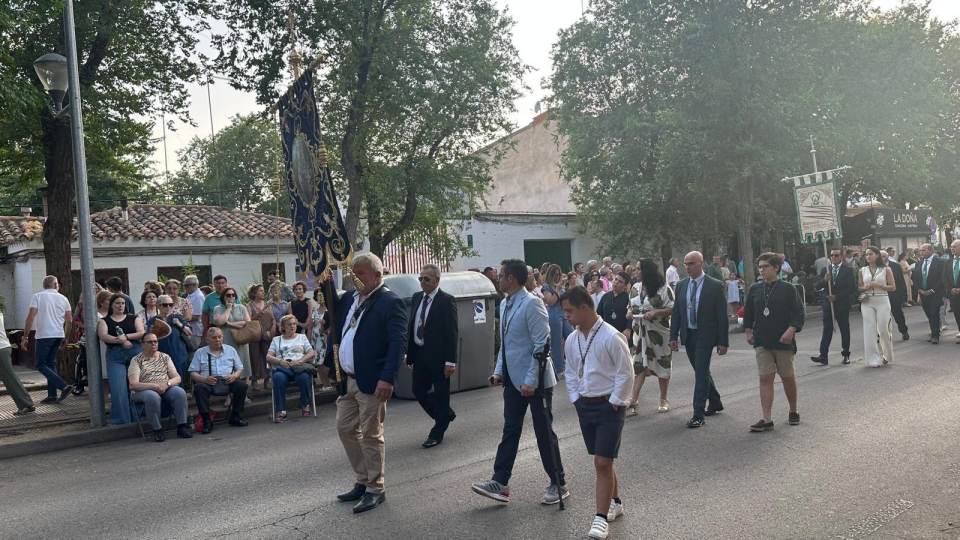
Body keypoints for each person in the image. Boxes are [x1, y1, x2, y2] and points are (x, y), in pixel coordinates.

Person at [472, 259, 567, 506]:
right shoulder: (505, 304)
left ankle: (558, 482)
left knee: (544, 432)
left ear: (511, 279)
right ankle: (500, 482)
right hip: (513, 380)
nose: (498, 279)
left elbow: (541, 345)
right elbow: (506, 344)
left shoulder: (532, 304)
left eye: (501, 275)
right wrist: (498, 371)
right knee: (510, 429)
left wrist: (530, 380)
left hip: (536, 381)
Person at [325, 253, 407, 514]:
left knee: (371, 434)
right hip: (348, 379)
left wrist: (388, 377)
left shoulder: (390, 302)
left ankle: (375, 487)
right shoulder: (349, 298)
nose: (354, 278)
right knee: (345, 429)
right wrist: (328, 362)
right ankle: (362, 479)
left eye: (360, 274)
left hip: (373, 380)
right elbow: (338, 331)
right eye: (353, 273)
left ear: (377, 275)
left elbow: (398, 344)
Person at [559, 286, 633, 540]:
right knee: (605, 458)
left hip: (609, 406)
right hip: (585, 405)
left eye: (569, 311)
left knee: (601, 462)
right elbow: (570, 370)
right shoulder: (572, 339)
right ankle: (616, 501)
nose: (566, 316)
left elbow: (626, 372)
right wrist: (575, 397)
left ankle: (600, 518)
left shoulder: (611, 337)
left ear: (585, 307)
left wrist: (615, 401)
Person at [742, 253, 804, 432]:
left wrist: (791, 330)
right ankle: (766, 418)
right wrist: (748, 330)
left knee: (787, 377)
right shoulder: (755, 289)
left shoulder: (788, 288)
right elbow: (748, 313)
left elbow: (798, 313)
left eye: (765, 267)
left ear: (776, 268)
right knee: (765, 378)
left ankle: (793, 410)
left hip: (783, 340)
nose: (761, 270)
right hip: (762, 340)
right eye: (759, 267)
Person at [669, 251, 728, 429]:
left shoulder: (715, 286)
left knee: (701, 373)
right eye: (686, 264)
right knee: (700, 370)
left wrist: (723, 341)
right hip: (689, 334)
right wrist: (673, 336)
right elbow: (677, 312)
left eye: (691, 263)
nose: (687, 267)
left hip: (706, 335)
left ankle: (698, 414)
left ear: (701, 263)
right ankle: (715, 401)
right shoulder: (681, 285)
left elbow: (721, 316)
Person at [406, 264, 459, 448]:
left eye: (426, 279)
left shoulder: (446, 301)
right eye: (420, 278)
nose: (422, 282)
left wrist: (450, 361)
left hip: (439, 358)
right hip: (420, 355)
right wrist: (410, 354)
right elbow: (412, 325)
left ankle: (437, 432)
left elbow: (451, 333)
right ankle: (444, 415)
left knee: (441, 395)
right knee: (418, 390)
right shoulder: (416, 298)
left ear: (436, 280)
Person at [626, 259, 674, 416]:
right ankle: (633, 399)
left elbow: (672, 308)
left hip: (658, 333)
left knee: (662, 363)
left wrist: (656, 313)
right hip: (640, 333)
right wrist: (629, 313)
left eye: (639, 269)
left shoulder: (663, 289)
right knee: (638, 364)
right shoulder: (635, 288)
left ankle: (663, 399)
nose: (636, 271)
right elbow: (630, 307)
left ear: (647, 271)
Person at [128, 333, 192, 442]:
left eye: (155, 341)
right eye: (150, 342)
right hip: (144, 389)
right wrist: (154, 386)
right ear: (142, 345)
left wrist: (167, 384)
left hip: (164, 387)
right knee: (152, 396)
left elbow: (177, 378)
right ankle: (157, 429)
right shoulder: (136, 360)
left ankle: (182, 426)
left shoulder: (165, 357)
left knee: (180, 392)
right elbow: (133, 384)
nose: (153, 344)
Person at [20, 276, 75, 403]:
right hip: (58, 334)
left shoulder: (38, 296)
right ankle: (52, 395)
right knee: (50, 364)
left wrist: (25, 337)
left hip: (44, 335)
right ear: (56, 285)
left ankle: (63, 386)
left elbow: (30, 318)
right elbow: (69, 320)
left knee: (40, 364)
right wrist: (65, 337)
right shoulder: (64, 298)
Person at [189, 327, 248, 433]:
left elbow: (240, 368)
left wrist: (234, 376)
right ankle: (206, 421)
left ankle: (236, 416)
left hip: (227, 381)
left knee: (242, 386)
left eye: (220, 337)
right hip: (209, 382)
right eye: (214, 338)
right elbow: (192, 373)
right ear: (207, 340)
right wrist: (204, 379)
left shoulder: (230, 350)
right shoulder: (200, 352)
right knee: (199, 388)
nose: (217, 340)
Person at [97, 293, 145, 424]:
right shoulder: (104, 321)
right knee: (118, 389)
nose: (120, 305)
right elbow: (104, 336)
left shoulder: (134, 318)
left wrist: (126, 337)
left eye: (123, 303)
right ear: (111, 305)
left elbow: (141, 332)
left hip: (135, 353)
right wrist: (120, 341)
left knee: (137, 387)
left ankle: (138, 417)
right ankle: (121, 420)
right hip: (115, 356)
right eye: (117, 303)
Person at [267, 315, 317, 422]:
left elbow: (311, 352)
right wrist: (280, 361)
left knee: (304, 377)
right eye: (289, 324)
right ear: (283, 326)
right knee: (278, 377)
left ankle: (305, 405)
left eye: (294, 324)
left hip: (299, 366)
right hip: (283, 367)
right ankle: (281, 411)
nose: (293, 326)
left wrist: (301, 360)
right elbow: (268, 356)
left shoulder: (302, 337)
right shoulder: (276, 340)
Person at [810, 248, 855, 365]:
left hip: (842, 304)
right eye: (832, 255)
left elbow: (851, 288)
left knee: (844, 329)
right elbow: (817, 286)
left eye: (836, 255)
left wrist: (837, 296)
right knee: (827, 330)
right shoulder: (826, 269)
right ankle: (823, 355)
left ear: (841, 256)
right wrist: (825, 280)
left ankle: (846, 354)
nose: (834, 257)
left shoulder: (848, 270)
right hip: (828, 305)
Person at [860, 246, 896, 366]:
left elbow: (893, 287)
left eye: (870, 254)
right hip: (867, 301)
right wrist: (864, 288)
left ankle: (887, 354)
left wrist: (880, 285)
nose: (868, 257)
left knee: (883, 329)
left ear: (877, 255)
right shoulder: (862, 270)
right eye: (866, 255)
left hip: (882, 300)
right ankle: (872, 359)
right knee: (869, 330)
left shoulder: (886, 269)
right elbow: (859, 287)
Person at [212, 287, 252, 380]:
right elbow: (220, 322)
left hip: (242, 340)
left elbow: (246, 322)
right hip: (227, 340)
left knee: (243, 364)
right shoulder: (218, 308)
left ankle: (244, 392)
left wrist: (229, 324)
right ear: (223, 297)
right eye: (228, 295)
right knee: (229, 365)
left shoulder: (241, 307)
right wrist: (228, 308)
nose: (231, 297)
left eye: (233, 295)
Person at [150, 295, 192, 381]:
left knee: (181, 381)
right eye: (165, 305)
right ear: (158, 306)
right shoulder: (153, 321)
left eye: (171, 304)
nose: (168, 307)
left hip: (178, 355)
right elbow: (149, 338)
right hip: (161, 356)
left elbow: (189, 332)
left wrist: (180, 324)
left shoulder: (177, 317)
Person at [1, 309, 35, 415]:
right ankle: (26, 403)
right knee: (10, 378)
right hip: (3, 348)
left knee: (10, 379)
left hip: (1, 349)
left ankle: (26, 404)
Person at [912, 243, 946, 344]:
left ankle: (935, 335)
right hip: (923, 293)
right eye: (920, 251)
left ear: (931, 251)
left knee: (933, 312)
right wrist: (919, 290)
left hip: (935, 293)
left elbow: (942, 278)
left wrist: (933, 290)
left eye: (923, 250)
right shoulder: (919, 263)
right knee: (929, 313)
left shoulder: (940, 262)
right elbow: (915, 278)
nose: (921, 252)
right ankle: (935, 329)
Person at [247, 284, 275, 390]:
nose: (263, 293)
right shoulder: (249, 305)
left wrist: (271, 331)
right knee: (254, 357)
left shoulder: (268, 304)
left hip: (267, 334)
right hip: (255, 335)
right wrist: (262, 311)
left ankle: (267, 379)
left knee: (267, 357)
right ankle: (254, 380)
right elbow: (249, 320)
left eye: (263, 291)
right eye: (260, 291)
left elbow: (272, 319)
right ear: (254, 293)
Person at [543, 284, 573, 379]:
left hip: (563, 313)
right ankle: (558, 369)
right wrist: (557, 290)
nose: (558, 276)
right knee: (557, 343)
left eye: (559, 274)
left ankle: (573, 365)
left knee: (571, 337)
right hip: (554, 314)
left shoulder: (560, 285)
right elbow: (550, 302)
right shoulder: (547, 286)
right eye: (556, 274)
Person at [597, 272, 632, 344]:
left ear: (625, 286)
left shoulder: (628, 298)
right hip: (606, 334)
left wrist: (628, 329)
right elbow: (598, 314)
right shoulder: (605, 296)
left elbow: (632, 314)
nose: (616, 282)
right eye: (615, 279)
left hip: (622, 335)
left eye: (620, 282)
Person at [882, 249, 910, 341]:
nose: (882, 258)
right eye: (880, 256)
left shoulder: (895, 266)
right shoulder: (875, 267)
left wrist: (903, 296)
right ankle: (883, 334)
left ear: (887, 257)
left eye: (884, 256)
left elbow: (901, 282)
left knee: (898, 314)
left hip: (894, 295)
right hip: (881, 296)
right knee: (882, 317)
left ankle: (904, 331)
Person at [310, 288, 331, 387]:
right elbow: (311, 326)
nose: (320, 298)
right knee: (319, 362)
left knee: (328, 360)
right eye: (318, 296)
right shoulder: (314, 311)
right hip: (317, 339)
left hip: (327, 337)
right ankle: (325, 384)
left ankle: (331, 382)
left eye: (322, 295)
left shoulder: (330, 310)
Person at [183, 275, 205, 347]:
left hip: (196, 331)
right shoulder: (190, 295)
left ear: (195, 285)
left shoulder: (198, 297)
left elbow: (197, 316)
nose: (185, 287)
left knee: (194, 352)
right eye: (184, 285)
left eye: (186, 285)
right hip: (190, 330)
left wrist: (181, 320)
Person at [945, 240, 960, 343]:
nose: (952, 248)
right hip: (953, 294)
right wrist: (950, 288)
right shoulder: (948, 262)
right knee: (957, 314)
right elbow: (944, 278)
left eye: (954, 246)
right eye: (951, 247)